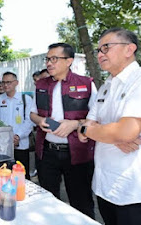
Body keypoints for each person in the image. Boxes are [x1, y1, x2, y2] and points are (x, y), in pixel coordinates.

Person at [78, 28, 141, 225]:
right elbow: (86, 126)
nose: (100, 54)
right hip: (106, 188)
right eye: (98, 50)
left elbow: (125, 132)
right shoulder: (106, 86)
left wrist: (104, 132)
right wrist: (108, 133)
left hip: (139, 192)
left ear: (129, 49)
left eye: (106, 47)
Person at [30, 43, 97, 219]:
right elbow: (32, 114)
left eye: (54, 59)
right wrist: (40, 120)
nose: (49, 63)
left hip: (78, 154)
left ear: (69, 61)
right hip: (47, 153)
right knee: (47, 201)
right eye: (47, 59)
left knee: (81, 202)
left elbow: (97, 118)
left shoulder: (86, 84)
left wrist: (74, 124)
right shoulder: (40, 85)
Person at [0, 72, 35, 180]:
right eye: (4, 82)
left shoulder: (25, 99)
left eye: (9, 82)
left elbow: (29, 121)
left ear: (16, 83)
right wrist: (6, 138)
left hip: (21, 145)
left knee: (22, 176)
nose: (6, 85)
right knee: (3, 175)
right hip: (2, 147)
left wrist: (18, 136)